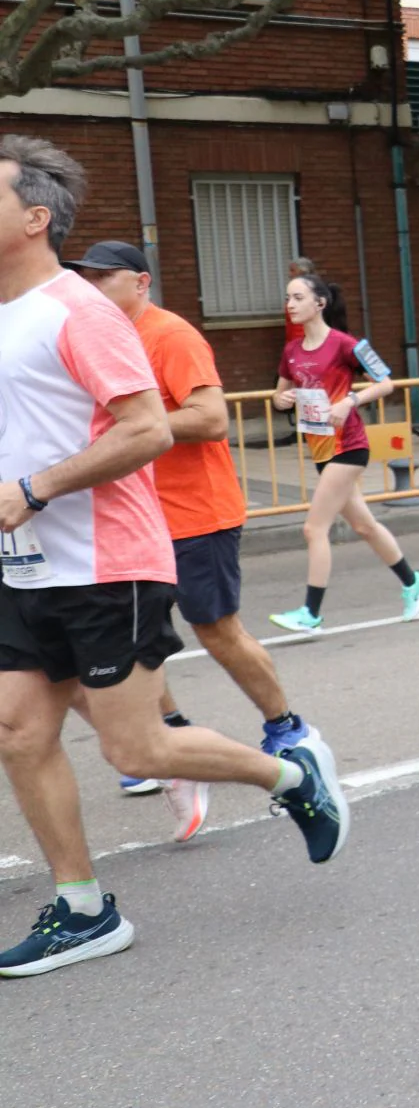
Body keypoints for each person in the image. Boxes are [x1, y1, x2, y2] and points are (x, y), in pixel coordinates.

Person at [0, 135, 347, 978]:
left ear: (34, 217)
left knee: (137, 752)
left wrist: (36, 488)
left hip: (107, 562)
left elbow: (150, 427)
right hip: (25, 564)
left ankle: (290, 778)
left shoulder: (80, 313)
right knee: (16, 731)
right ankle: (83, 908)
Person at [64, 240, 321, 829]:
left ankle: (287, 728)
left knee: (217, 630)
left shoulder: (169, 335)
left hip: (196, 512)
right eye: (87, 278)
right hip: (130, 516)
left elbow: (210, 418)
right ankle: (171, 743)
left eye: (107, 277)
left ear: (141, 283)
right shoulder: (89, 338)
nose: (94, 287)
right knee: (131, 643)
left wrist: (134, 428)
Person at [266, 273, 419, 634]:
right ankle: (412, 581)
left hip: (349, 446)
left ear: (319, 303)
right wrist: (283, 400)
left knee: (314, 528)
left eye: (297, 297)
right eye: (288, 298)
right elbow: (278, 396)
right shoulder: (292, 351)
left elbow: (386, 382)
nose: (290, 305)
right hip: (320, 446)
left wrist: (350, 401)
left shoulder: (345, 344)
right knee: (363, 525)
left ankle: (311, 613)